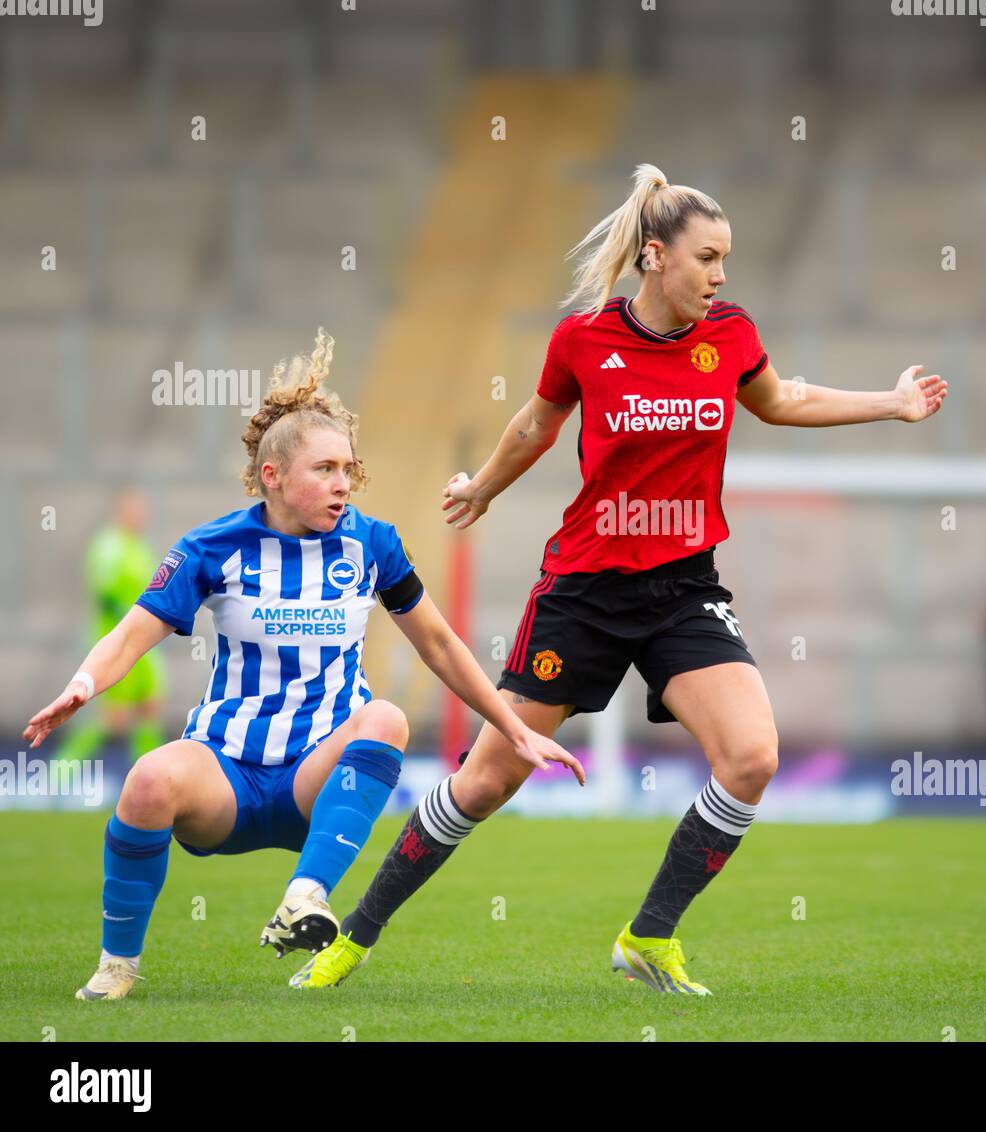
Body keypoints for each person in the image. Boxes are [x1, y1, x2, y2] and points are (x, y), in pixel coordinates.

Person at [294, 164, 947, 996]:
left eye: (725, 261)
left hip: (684, 590)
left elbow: (782, 399)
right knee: (486, 780)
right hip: (585, 594)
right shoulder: (585, 341)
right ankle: (354, 938)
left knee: (751, 757)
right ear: (653, 257)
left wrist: (890, 404)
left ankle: (649, 938)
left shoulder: (732, 335)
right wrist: (482, 487)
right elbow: (535, 423)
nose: (720, 277)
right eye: (707, 258)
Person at [22, 329, 580, 1002]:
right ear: (273, 476)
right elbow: (133, 633)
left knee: (386, 717)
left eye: (348, 468)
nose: (343, 484)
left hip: (319, 774)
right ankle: (116, 967)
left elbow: (437, 643)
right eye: (325, 470)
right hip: (225, 777)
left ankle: (304, 897)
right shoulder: (212, 547)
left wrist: (512, 726)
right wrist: (81, 686)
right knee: (145, 781)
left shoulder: (371, 545)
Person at [56, 488, 167, 767]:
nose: (140, 515)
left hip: (145, 643)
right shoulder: (109, 546)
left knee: (150, 706)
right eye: (134, 508)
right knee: (114, 717)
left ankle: (144, 771)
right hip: (118, 639)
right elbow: (104, 594)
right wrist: (130, 615)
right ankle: (58, 772)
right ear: (121, 511)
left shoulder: (139, 546)